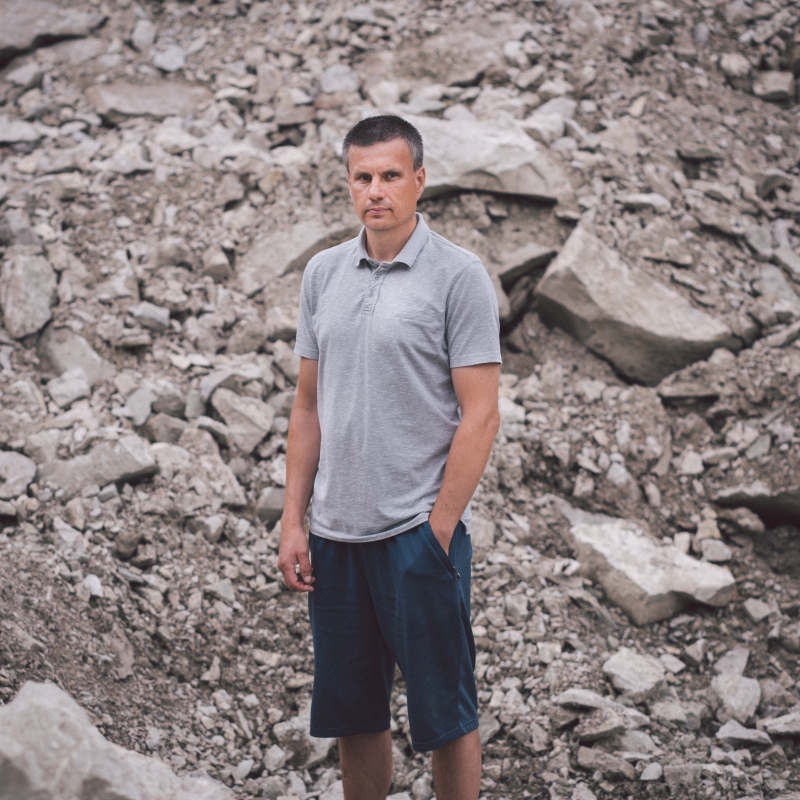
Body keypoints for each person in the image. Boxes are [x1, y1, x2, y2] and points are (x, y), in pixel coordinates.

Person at [277, 114, 501, 800]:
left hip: (415, 533)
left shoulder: (459, 276)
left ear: (419, 180)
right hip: (335, 535)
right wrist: (293, 521)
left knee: (446, 714)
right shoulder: (323, 273)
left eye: (390, 175)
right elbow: (307, 407)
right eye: (363, 177)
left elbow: (481, 414)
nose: (375, 190)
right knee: (355, 715)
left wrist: (439, 529)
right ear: (349, 183)